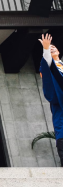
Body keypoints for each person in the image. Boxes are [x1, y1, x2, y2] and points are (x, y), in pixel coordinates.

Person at [38, 34, 63, 166]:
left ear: (59, 52)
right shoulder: (48, 67)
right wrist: (46, 49)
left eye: (54, 48)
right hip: (60, 106)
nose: (52, 48)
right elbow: (47, 68)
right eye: (50, 48)